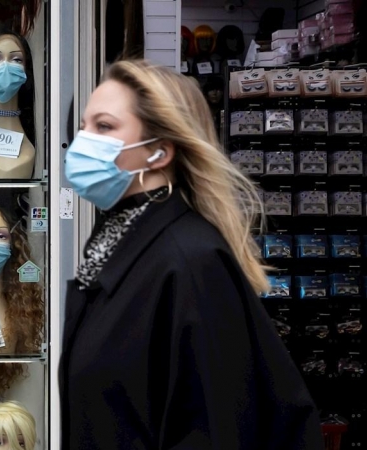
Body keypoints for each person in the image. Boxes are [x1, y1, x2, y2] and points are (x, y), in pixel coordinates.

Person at [60, 59, 322, 449]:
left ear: (159, 152)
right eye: (83, 126)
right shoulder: (116, 238)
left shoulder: (190, 260)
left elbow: (215, 427)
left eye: (104, 126)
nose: (83, 141)